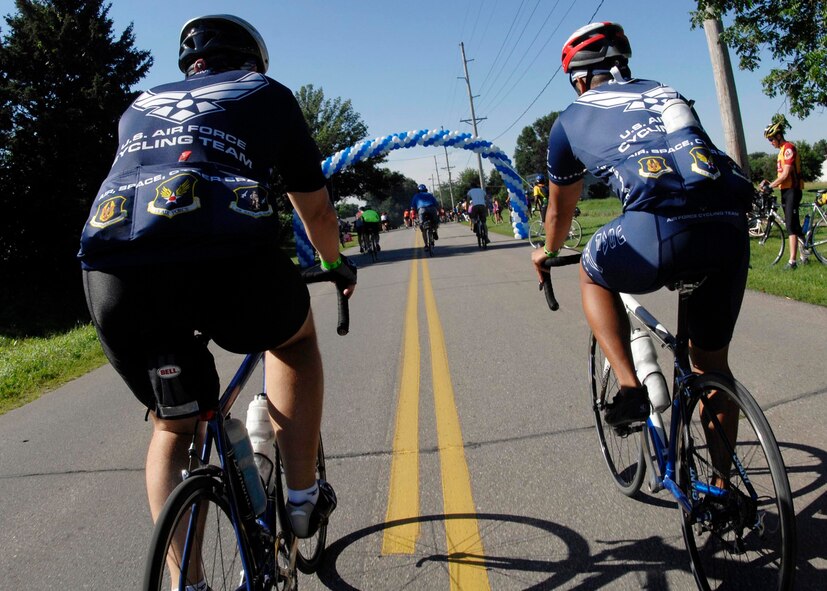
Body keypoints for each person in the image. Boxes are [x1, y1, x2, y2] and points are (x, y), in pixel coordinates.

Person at [78, 14, 356, 558]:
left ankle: (186, 579)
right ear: (252, 61)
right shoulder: (264, 92)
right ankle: (301, 500)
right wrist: (336, 264)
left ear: (189, 65)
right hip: (225, 255)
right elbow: (318, 211)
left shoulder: (138, 105)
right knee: (293, 341)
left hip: (113, 271)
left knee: (173, 425)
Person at [532, 22, 751, 444]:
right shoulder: (667, 91)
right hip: (729, 226)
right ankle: (725, 496)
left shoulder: (570, 119)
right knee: (712, 369)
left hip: (659, 230)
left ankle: (631, 389)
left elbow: (560, 212)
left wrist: (547, 251)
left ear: (579, 77)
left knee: (592, 270)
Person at [761, 121, 805, 269]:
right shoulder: (781, 151)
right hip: (785, 191)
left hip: (793, 189)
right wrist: (769, 182)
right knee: (793, 223)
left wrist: (770, 186)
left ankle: (792, 262)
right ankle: (804, 254)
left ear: (779, 136)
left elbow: (786, 175)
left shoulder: (788, 149)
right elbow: (781, 175)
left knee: (791, 226)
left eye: (771, 139)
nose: (770, 142)